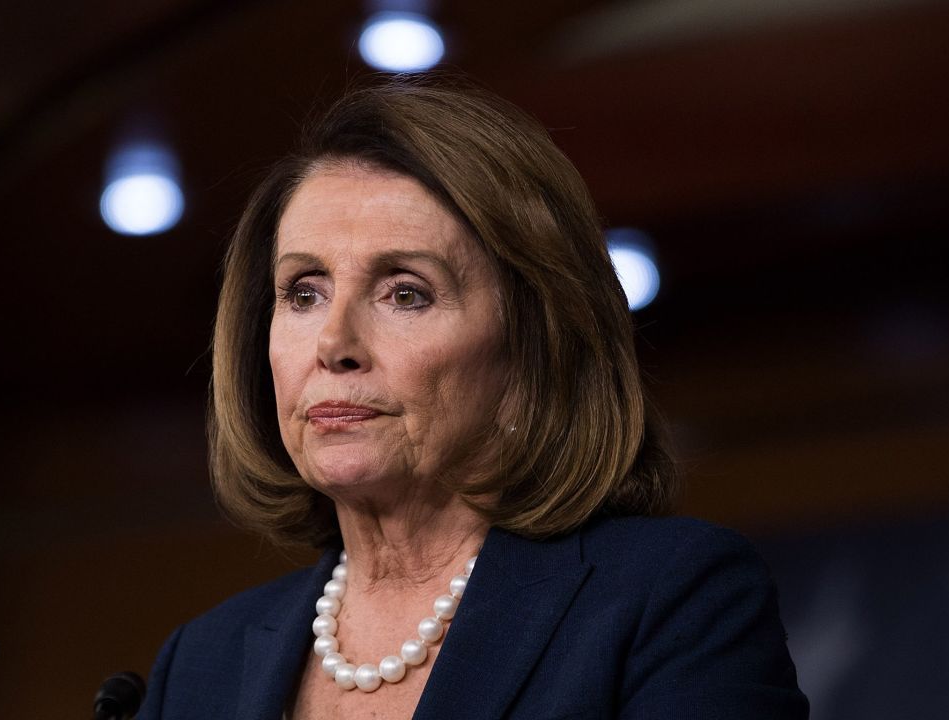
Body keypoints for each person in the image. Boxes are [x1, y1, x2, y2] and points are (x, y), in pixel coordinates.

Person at [137, 76, 808, 719]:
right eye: (304, 293)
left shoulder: (667, 600)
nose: (334, 342)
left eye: (405, 292)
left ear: (531, 346)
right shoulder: (201, 663)